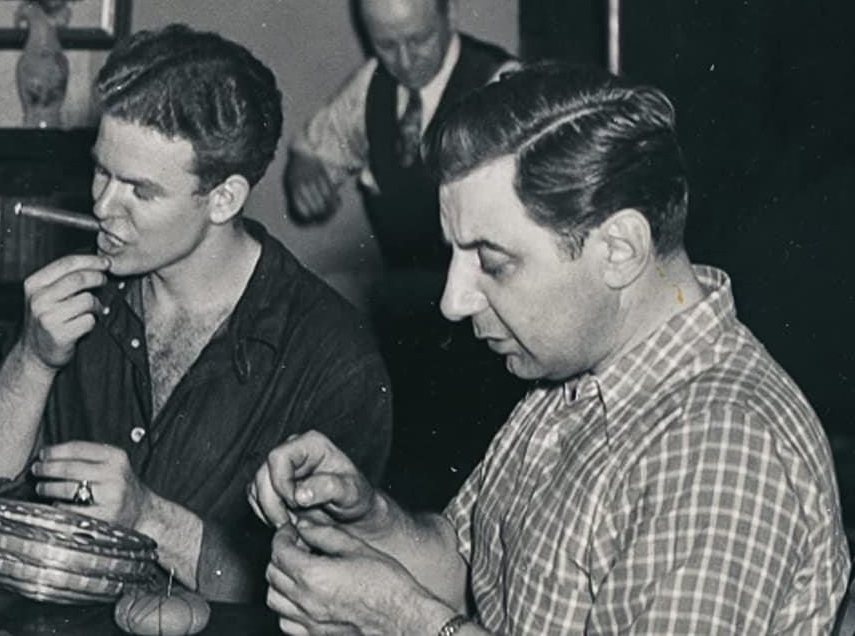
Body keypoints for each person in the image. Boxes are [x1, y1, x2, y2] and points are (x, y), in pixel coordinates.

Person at [250, 63, 850, 635]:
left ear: (619, 250)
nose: (454, 301)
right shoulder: (573, 379)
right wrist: (371, 522)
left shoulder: (721, 451)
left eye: (491, 261)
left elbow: (427, 616)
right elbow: (470, 570)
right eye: (454, 256)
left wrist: (402, 623)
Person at [0, 24, 392, 601]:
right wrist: (32, 360)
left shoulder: (332, 356)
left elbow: (328, 594)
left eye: (139, 190)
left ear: (223, 199)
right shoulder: (83, 297)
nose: (103, 206)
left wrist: (148, 517)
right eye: (102, 171)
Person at [286, 0, 523, 508]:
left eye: (419, 39)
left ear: (450, 14)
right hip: (406, 327)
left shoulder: (502, 84)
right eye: (386, 44)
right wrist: (307, 177)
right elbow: (311, 149)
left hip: (484, 333)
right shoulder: (372, 86)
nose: (406, 60)